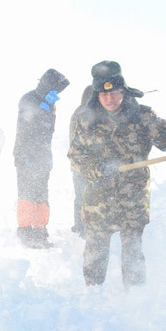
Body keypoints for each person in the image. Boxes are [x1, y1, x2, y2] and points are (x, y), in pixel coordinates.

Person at [68, 73, 166, 287]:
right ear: (97, 95)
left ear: (124, 92)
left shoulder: (142, 116)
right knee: (96, 249)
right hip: (98, 199)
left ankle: (135, 296)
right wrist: (96, 169)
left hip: (133, 197)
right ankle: (93, 294)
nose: (109, 99)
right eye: (103, 94)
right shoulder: (87, 120)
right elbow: (76, 155)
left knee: (132, 249)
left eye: (114, 93)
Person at [13, 68, 70, 248]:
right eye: (55, 89)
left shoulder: (49, 102)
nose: (57, 94)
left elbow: (46, 134)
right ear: (47, 85)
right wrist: (25, 155)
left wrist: (47, 155)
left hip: (42, 156)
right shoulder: (29, 100)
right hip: (26, 156)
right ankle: (25, 231)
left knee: (41, 196)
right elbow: (25, 130)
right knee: (27, 194)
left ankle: (39, 232)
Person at [71, 61, 128, 235]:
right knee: (87, 193)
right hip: (88, 162)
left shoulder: (78, 112)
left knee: (82, 193)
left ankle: (81, 225)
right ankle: (85, 226)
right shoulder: (85, 115)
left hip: (81, 163)